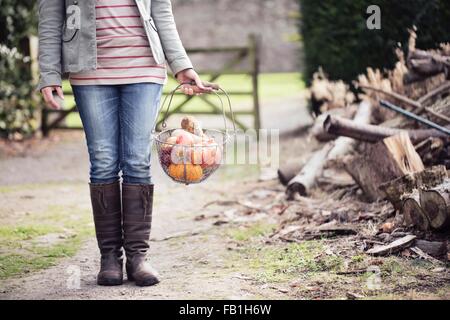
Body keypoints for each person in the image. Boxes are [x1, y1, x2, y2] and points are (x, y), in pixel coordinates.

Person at [37, 0, 210, 287]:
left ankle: (138, 257)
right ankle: (109, 258)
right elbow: (51, 14)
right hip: (89, 69)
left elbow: (160, 10)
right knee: (103, 160)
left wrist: (181, 64)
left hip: (144, 67)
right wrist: (49, 72)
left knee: (137, 160)